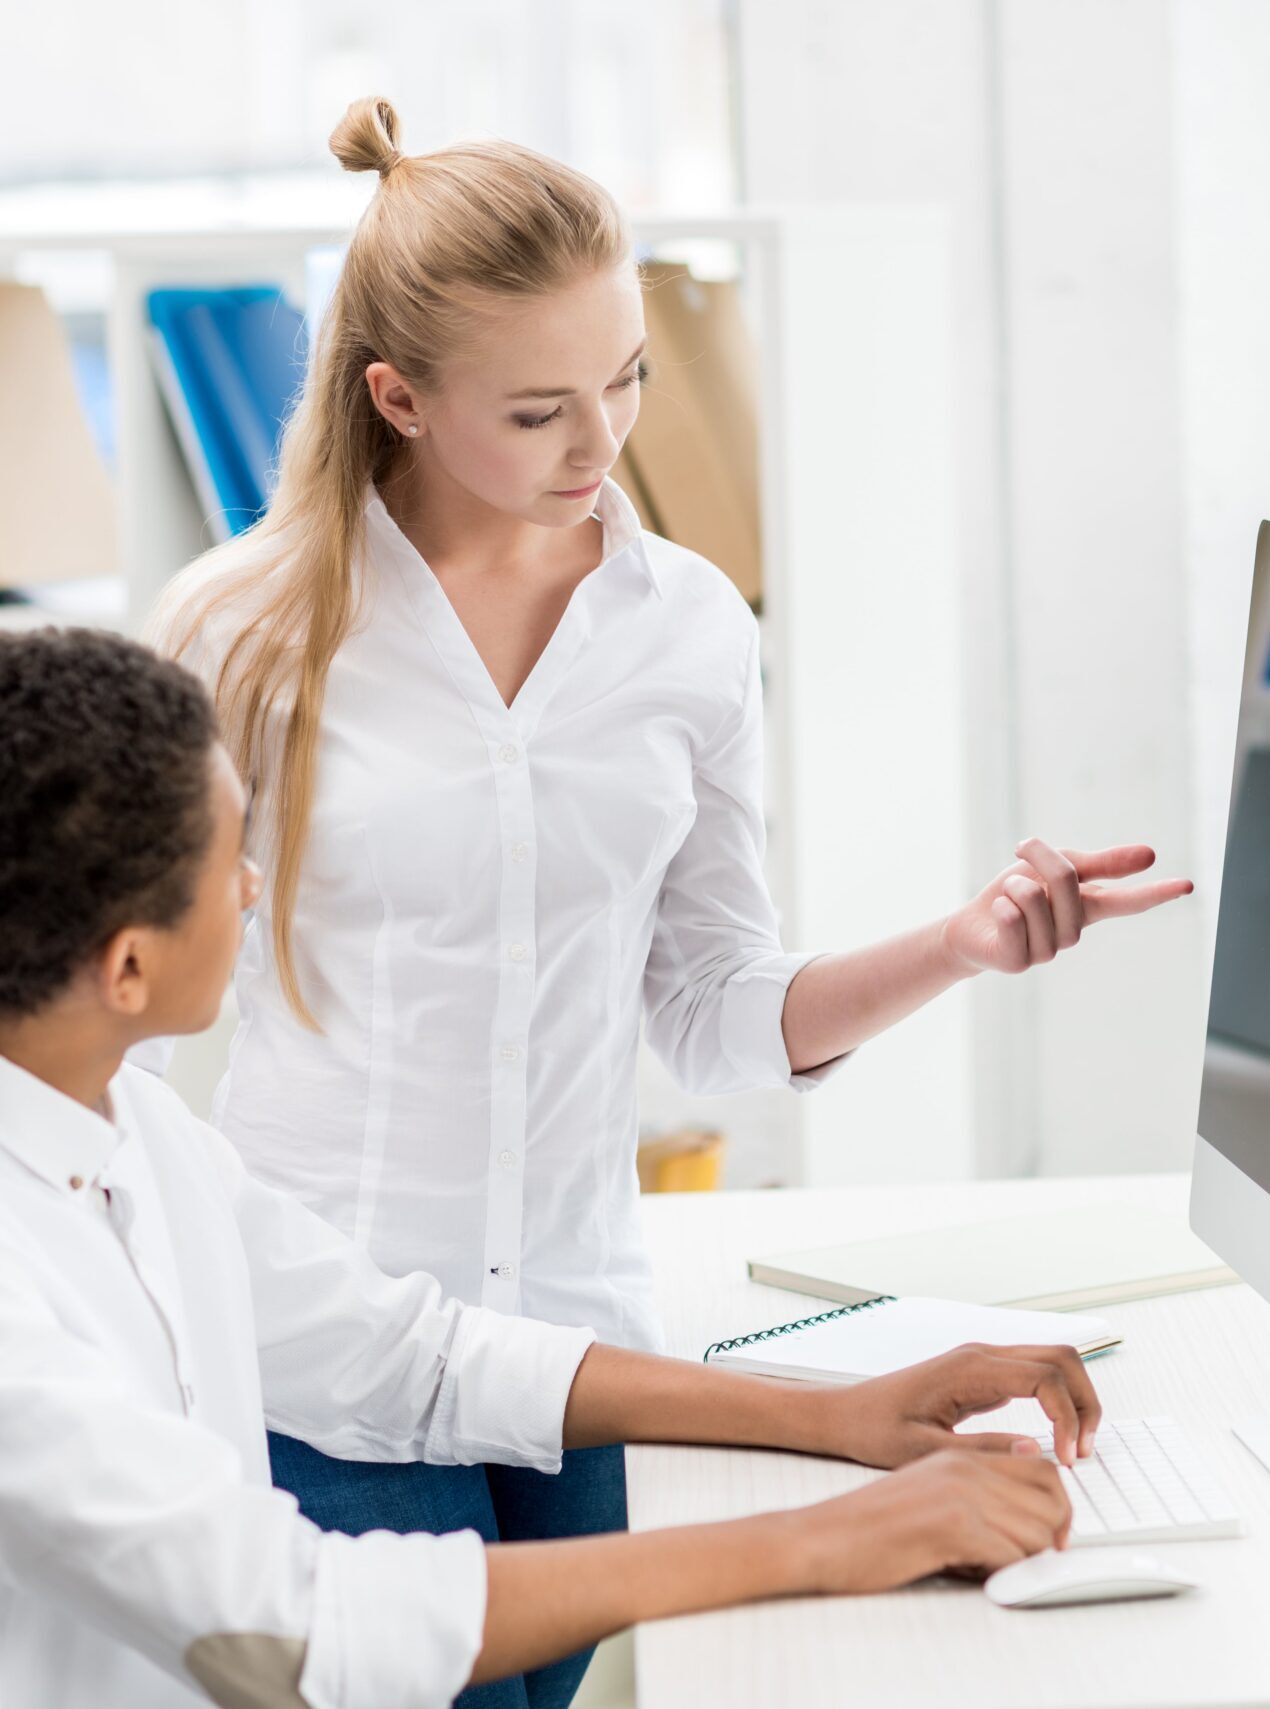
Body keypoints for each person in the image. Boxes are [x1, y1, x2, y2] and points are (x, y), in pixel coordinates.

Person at [147, 96, 1193, 1707]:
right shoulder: (236, 631)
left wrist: (959, 944)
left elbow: (708, 1007)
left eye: (626, 376)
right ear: (397, 396)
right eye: (540, 409)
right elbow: (126, 1029)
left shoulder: (683, 628)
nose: (603, 441)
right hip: (322, 1356)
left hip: (581, 1352)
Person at [0, 627, 1096, 1709]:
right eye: (233, 858)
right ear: (125, 965)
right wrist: (824, 1542)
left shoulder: (131, 1126)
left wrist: (837, 1414)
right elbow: (280, 1624)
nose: (252, 889)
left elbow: (409, 1359)